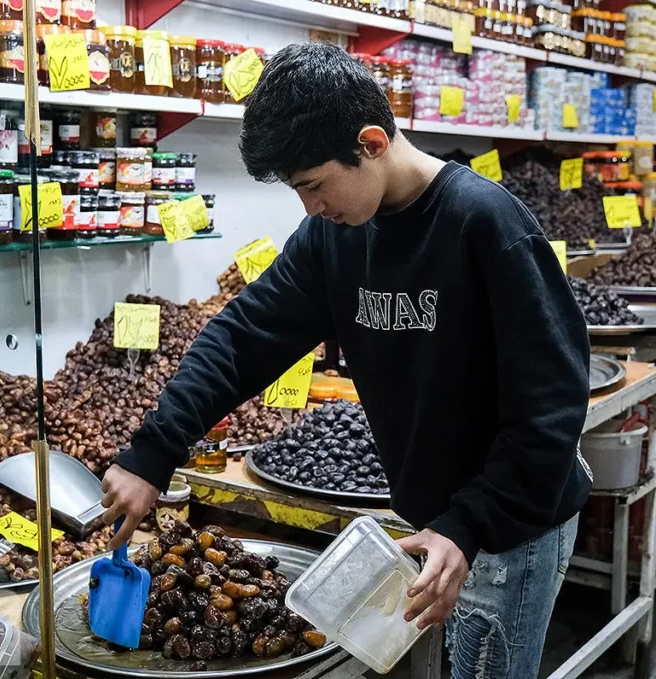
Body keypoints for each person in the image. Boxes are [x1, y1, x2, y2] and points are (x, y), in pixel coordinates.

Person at [100, 42, 592, 678]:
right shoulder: (333, 237)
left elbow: (552, 405)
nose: (310, 207)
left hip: (510, 526)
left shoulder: (486, 225)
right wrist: (153, 451)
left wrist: (469, 524)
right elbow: (244, 335)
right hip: (429, 522)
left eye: (314, 185)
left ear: (371, 142)